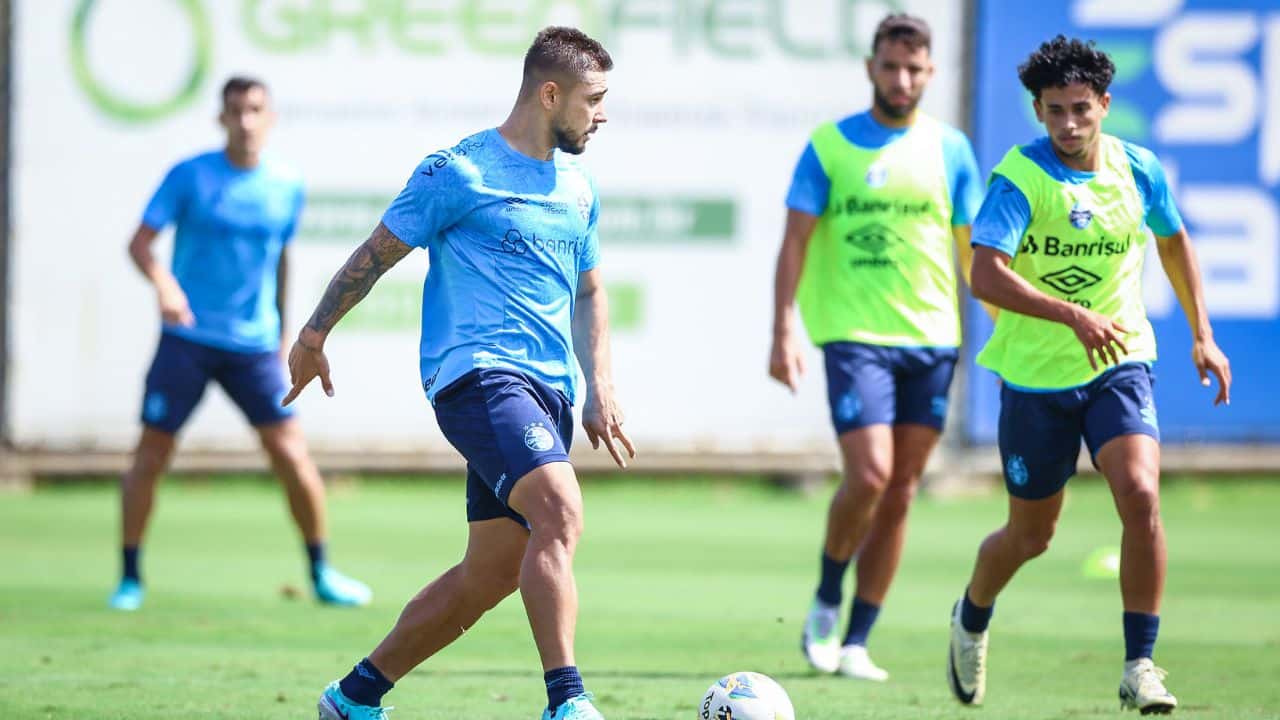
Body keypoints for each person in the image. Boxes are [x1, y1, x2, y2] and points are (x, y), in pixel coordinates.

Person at [284, 27, 634, 720]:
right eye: (593, 100)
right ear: (550, 93)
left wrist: (600, 384)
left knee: (492, 574)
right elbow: (376, 253)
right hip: (476, 378)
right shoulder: (459, 171)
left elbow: (591, 291)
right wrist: (316, 331)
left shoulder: (578, 185)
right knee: (559, 512)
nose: (602, 114)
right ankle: (568, 701)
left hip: (550, 391)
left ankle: (354, 697)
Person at [945, 36, 1231, 713]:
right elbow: (985, 272)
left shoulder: (1137, 169)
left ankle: (1141, 665)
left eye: (1080, 109)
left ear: (1104, 104)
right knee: (1030, 537)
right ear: (1037, 111)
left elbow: (1172, 238)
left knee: (1139, 493)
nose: (1068, 125)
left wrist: (1202, 334)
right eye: (1053, 112)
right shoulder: (1022, 178)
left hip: (1119, 363)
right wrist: (1070, 314)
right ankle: (972, 612)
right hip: (1035, 378)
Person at [769, 14, 982, 681]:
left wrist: (1006, 324)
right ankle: (829, 594)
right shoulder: (830, 146)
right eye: (891, 66)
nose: (902, 79)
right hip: (855, 337)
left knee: (901, 491)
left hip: (931, 340)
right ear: (870, 68)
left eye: (915, 68)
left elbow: (975, 254)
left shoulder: (952, 150)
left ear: (931, 73)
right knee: (868, 475)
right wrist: (783, 328)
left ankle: (859, 640)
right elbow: (796, 241)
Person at [110, 76, 371, 612]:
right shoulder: (190, 176)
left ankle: (322, 571)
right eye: (235, 110)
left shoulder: (285, 184)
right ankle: (130, 578)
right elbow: (140, 244)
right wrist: (166, 287)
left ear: (269, 118)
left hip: (252, 348)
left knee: (292, 455)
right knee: (152, 454)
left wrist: (281, 335)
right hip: (186, 339)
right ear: (221, 118)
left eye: (255, 109)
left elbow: (279, 259)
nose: (246, 120)